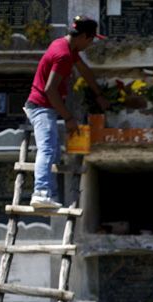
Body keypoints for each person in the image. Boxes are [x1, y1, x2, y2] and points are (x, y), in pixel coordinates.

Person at [24, 16, 109, 210]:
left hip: (46, 107)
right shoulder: (63, 55)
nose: (90, 44)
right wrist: (69, 118)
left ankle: (49, 195)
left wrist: (99, 94)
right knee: (46, 149)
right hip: (41, 107)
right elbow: (50, 90)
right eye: (91, 39)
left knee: (53, 151)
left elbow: (84, 70)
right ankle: (41, 192)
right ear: (84, 36)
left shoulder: (66, 46)